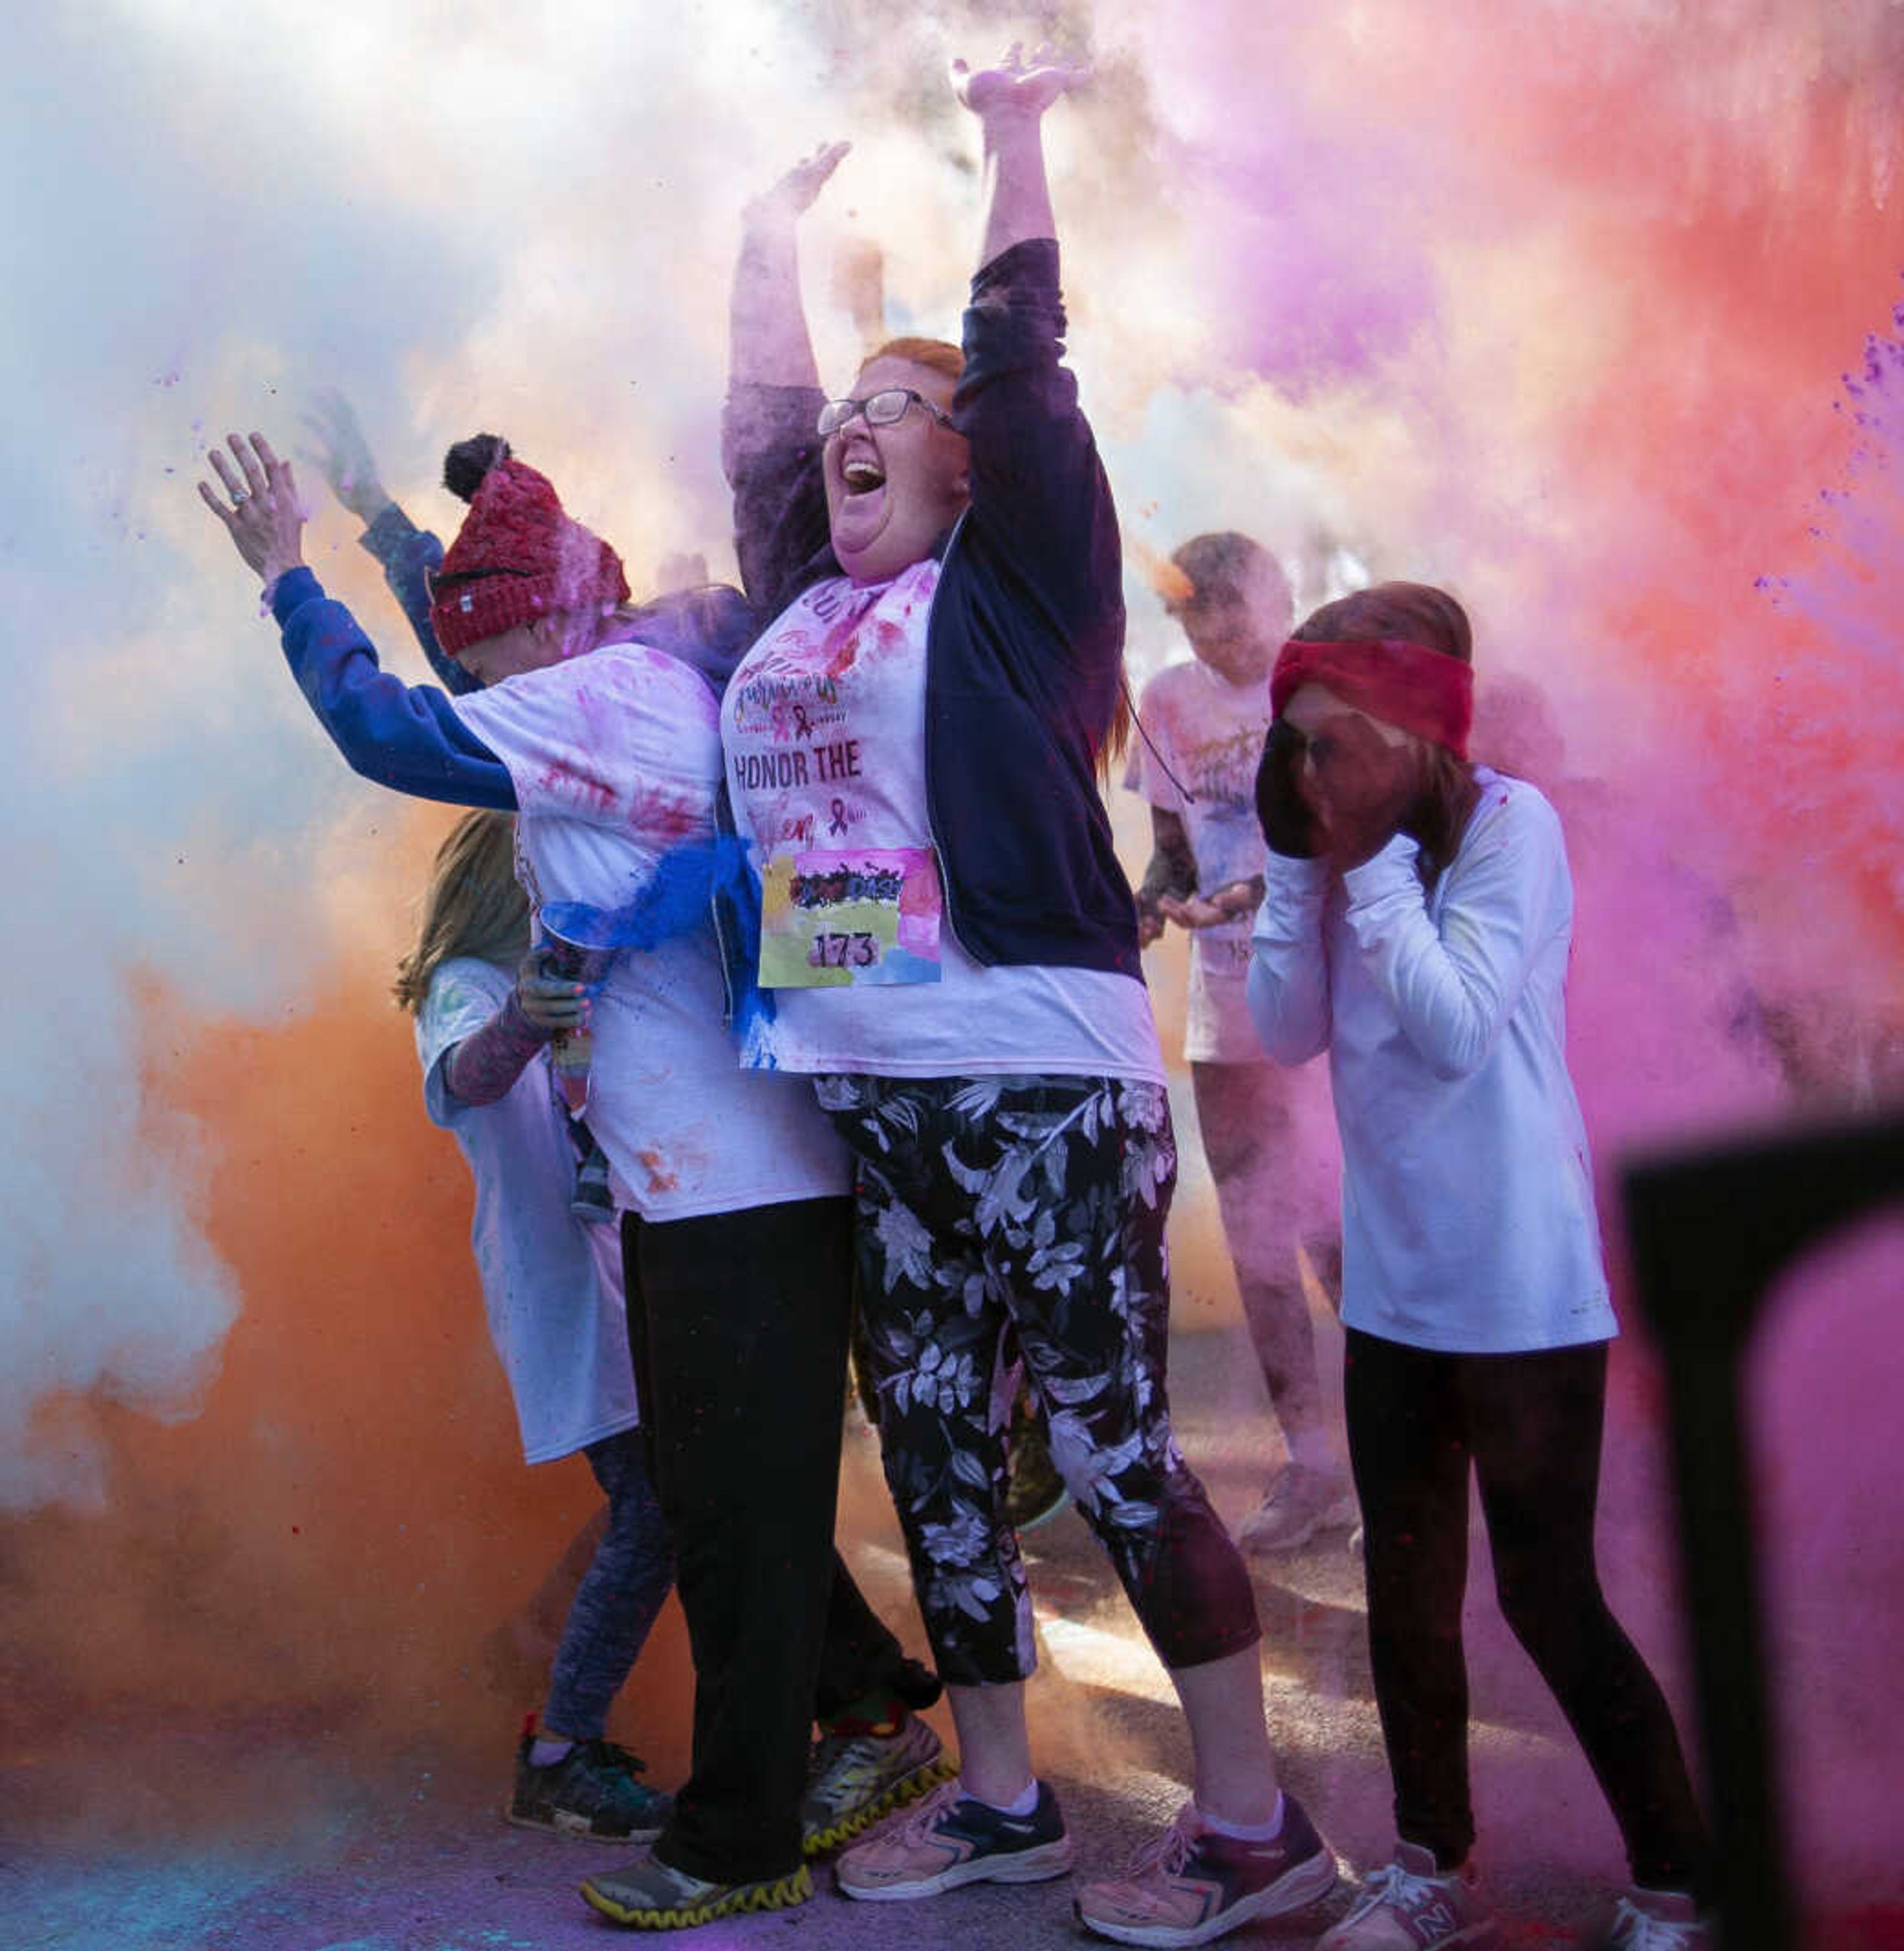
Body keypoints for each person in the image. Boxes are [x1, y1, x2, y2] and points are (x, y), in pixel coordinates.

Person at [717, 49, 1332, 1946]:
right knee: (924, 1445)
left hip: (1040, 1086)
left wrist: (1012, 139)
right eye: (852, 407)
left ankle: (1255, 1834)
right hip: (874, 1090)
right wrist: (762, 248)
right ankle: (1001, 1804)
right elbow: (755, 441)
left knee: (1114, 1449)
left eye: (902, 409)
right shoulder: (806, 601)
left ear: (973, 458)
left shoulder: (1020, 588)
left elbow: (1021, 363)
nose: (857, 427)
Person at [200, 431, 942, 1930]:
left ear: (551, 623)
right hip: (712, 1180)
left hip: (737, 1187)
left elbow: (394, 727)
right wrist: (395, 516)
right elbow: (461, 652)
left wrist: (287, 578)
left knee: (732, 1517)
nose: (490, 678)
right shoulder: (631, 681)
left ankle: (747, 1837)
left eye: (499, 641)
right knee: (726, 1509)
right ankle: (847, 1751)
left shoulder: (609, 693)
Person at [1245, 583, 1712, 1951]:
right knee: (1404, 1593)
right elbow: (1283, 1033)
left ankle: (1682, 1882)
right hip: (1394, 1289)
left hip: (1521, 1286)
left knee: (1546, 1593)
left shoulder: (1514, 826)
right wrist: (1291, 872)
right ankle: (1429, 1869)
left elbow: (1453, 1028)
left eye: (1336, 740)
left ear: (1414, 737)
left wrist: (1375, 865)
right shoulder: (1333, 849)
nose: (1312, 768)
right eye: (1298, 743)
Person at [395, 807, 676, 1843]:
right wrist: (525, 1015)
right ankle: (557, 1754)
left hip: (619, 1272)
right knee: (655, 1507)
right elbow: (469, 1074)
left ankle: (528, 1642)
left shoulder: (580, 979)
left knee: (664, 1491)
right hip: (562, 1291)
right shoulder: (462, 985)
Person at [1132, 531, 1351, 1553]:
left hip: (1332, 1009)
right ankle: (1311, 1467)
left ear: (1277, 593)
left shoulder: (1322, 685)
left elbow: (1362, 840)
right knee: (1262, 1244)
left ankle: (1414, 1457)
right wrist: (1151, 902)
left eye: (1233, 607)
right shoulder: (1167, 701)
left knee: (1347, 1241)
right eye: (1195, 615)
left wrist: (1263, 891)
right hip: (1228, 1019)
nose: (1217, 632)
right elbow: (1170, 852)